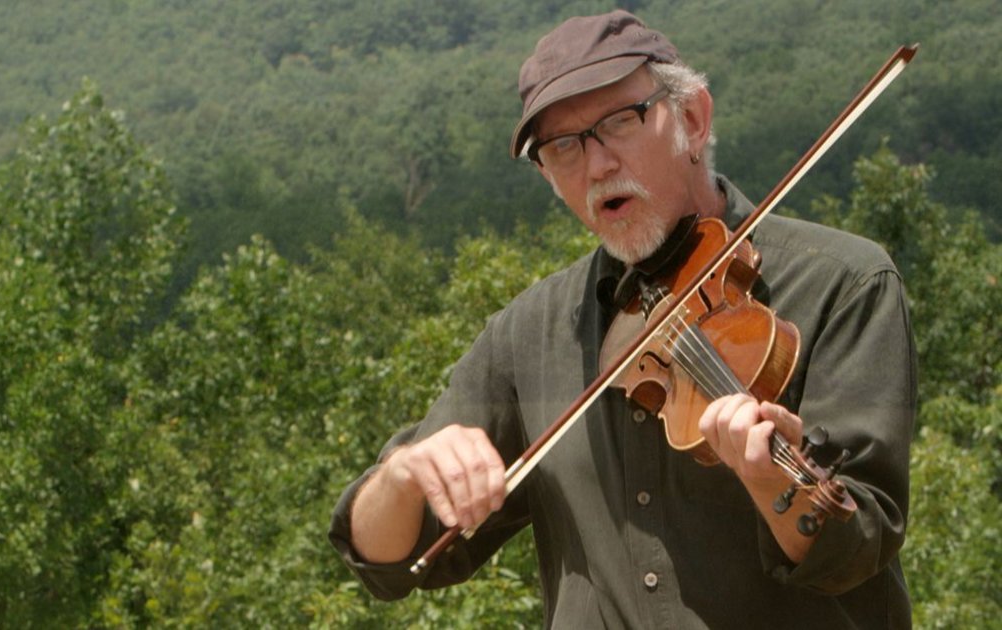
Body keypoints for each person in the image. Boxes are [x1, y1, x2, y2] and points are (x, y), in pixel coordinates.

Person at [329, 10, 915, 629]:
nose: (596, 165)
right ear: (548, 175)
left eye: (617, 123)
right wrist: (401, 474)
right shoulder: (528, 334)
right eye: (562, 147)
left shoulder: (843, 282)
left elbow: (861, 546)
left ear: (691, 119)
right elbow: (387, 561)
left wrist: (772, 480)